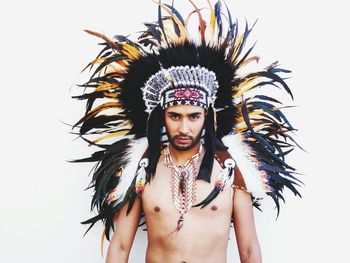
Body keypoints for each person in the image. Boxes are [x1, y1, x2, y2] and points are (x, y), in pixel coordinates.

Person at [72, 1, 302, 262]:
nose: (184, 127)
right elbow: (121, 246)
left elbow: (249, 250)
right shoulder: (142, 168)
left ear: (207, 117)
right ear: (161, 118)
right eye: (174, 116)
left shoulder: (232, 169)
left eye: (194, 117)